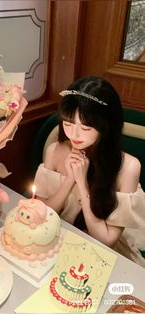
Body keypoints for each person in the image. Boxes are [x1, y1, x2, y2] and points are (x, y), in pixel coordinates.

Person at [34, 76, 145, 266]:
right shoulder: (55, 150)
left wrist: (83, 184)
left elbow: (107, 240)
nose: (74, 135)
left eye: (85, 127)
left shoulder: (128, 167)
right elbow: (43, 214)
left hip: (103, 255)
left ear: (106, 126)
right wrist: (69, 180)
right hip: (58, 242)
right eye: (68, 124)